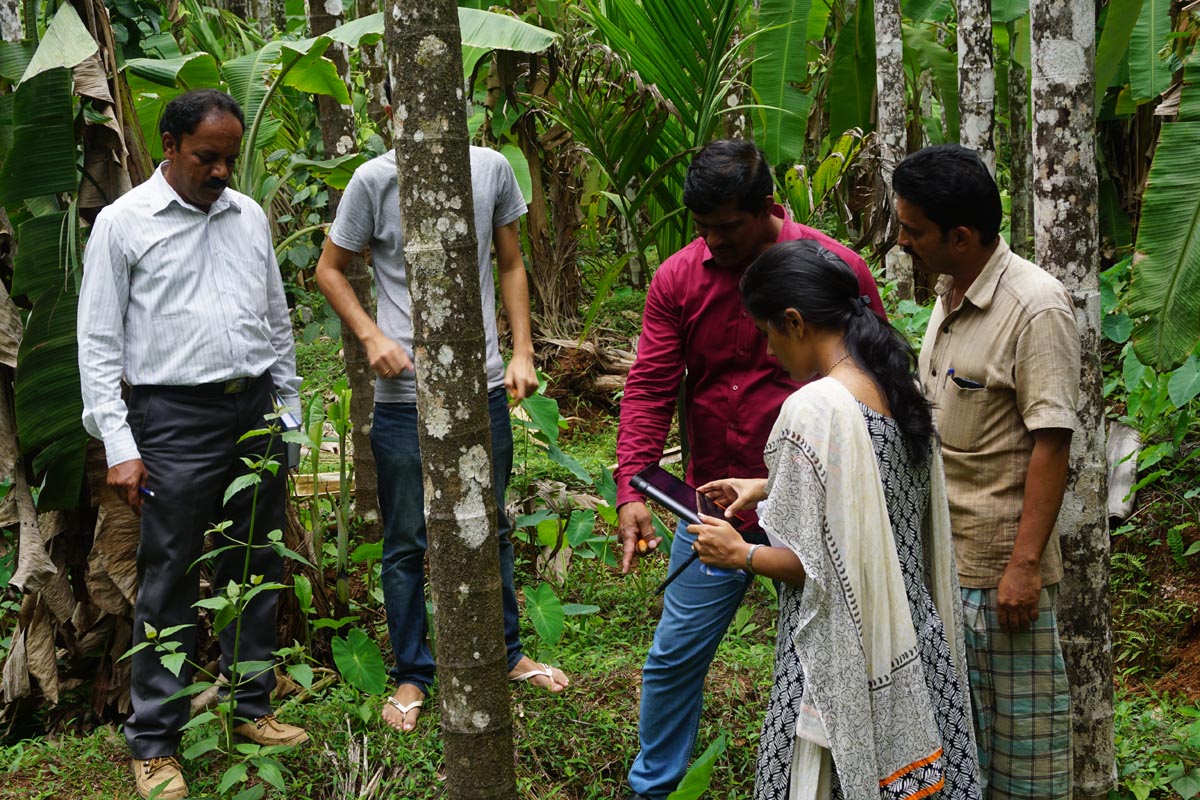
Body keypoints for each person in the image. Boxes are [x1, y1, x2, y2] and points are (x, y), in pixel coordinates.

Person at [615, 139, 884, 800]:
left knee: (829, 655)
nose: (714, 242)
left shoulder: (836, 270)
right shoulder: (680, 277)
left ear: (767, 208)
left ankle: (844, 778)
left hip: (818, 497)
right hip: (717, 500)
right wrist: (633, 485)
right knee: (674, 655)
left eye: (728, 228)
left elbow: (875, 386)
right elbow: (650, 385)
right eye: (703, 228)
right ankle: (655, 790)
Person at [77, 89, 307, 800]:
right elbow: (97, 343)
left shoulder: (248, 217)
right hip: (171, 416)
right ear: (171, 145)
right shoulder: (124, 223)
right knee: (171, 572)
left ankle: (250, 707)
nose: (220, 173)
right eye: (207, 157)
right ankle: (154, 743)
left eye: (229, 160)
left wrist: (288, 414)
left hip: (255, 410)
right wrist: (120, 443)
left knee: (254, 559)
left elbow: (276, 322)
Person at [691, 239, 980, 800]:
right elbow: (870, 495)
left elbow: (814, 567)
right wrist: (770, 485)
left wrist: (739, 553)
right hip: (912, 635)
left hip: (843, 646)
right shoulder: (899, 387)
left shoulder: (813, 408)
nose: (771, 352)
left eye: (769, 334)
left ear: (794, 322)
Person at [315, 144, 569, 734]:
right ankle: (413, 672)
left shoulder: (491, 168)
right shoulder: (372, 179)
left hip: (480, 385)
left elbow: (509, 262)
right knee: (405, 539)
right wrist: (372, 336)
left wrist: (523, 351)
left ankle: (507, 654)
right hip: (405, 395)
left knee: (493, 523)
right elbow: (329, 268)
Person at [894, 144, 1079, 800]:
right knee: (961, 753)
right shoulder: (950, 294)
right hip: (947, 565)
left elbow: (1052, 443)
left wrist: (1024, 568)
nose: (903, 240)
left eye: (913, 229)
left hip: (1001, 582)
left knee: (1023, 765)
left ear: (961, 236)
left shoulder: (1036, 306)